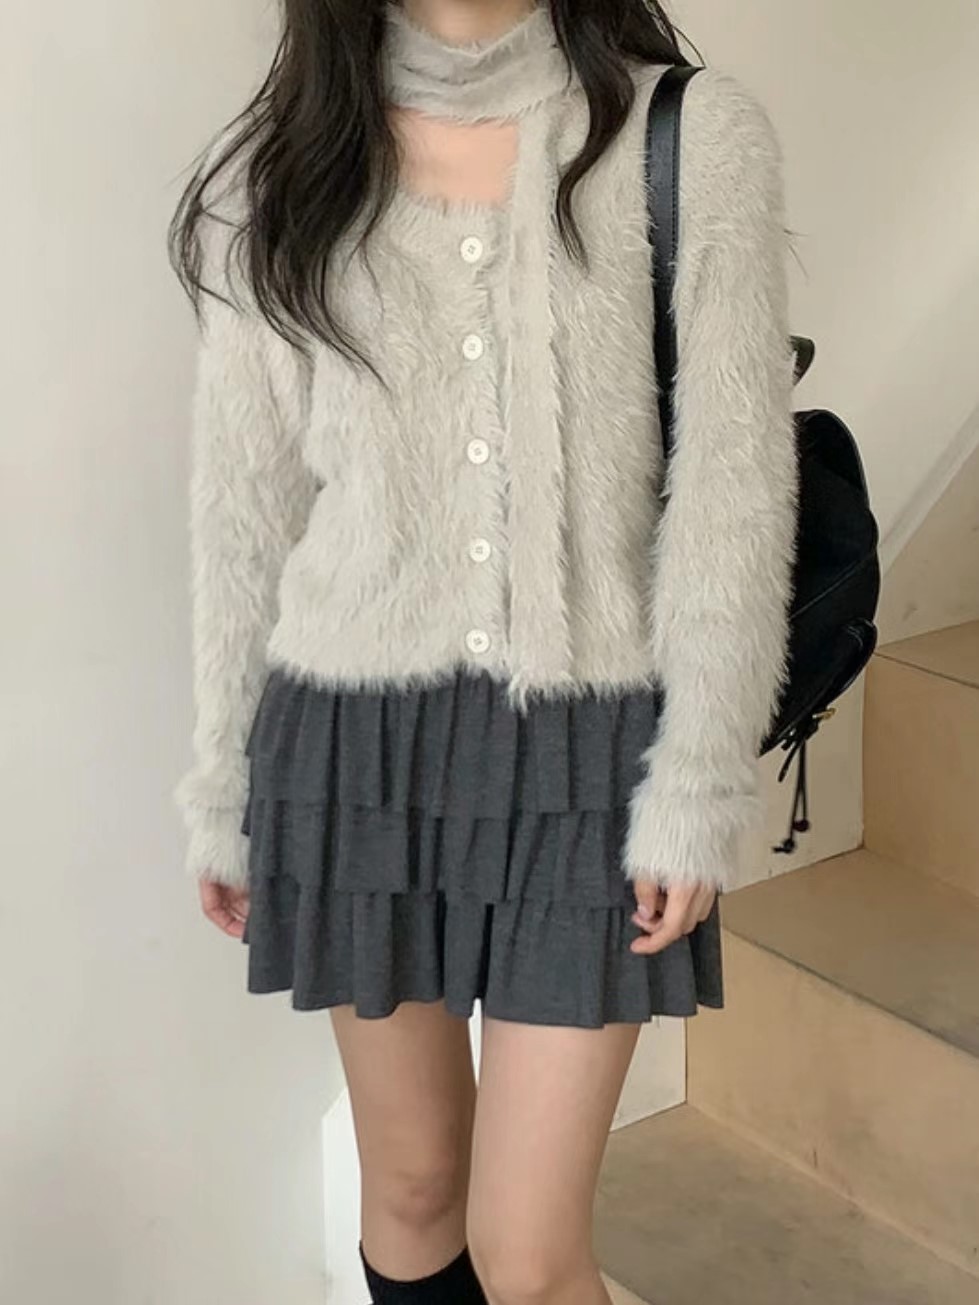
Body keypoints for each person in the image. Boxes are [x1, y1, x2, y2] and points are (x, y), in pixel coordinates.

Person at [168, 1, 798, 1300]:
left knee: (529, 1253)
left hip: (588, 746)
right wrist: (225, 783)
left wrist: (697, 780)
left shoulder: (690, 136)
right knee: (410, 1191)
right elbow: (243, 509)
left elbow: (733, 490)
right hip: (354, 747)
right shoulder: (282, 165)